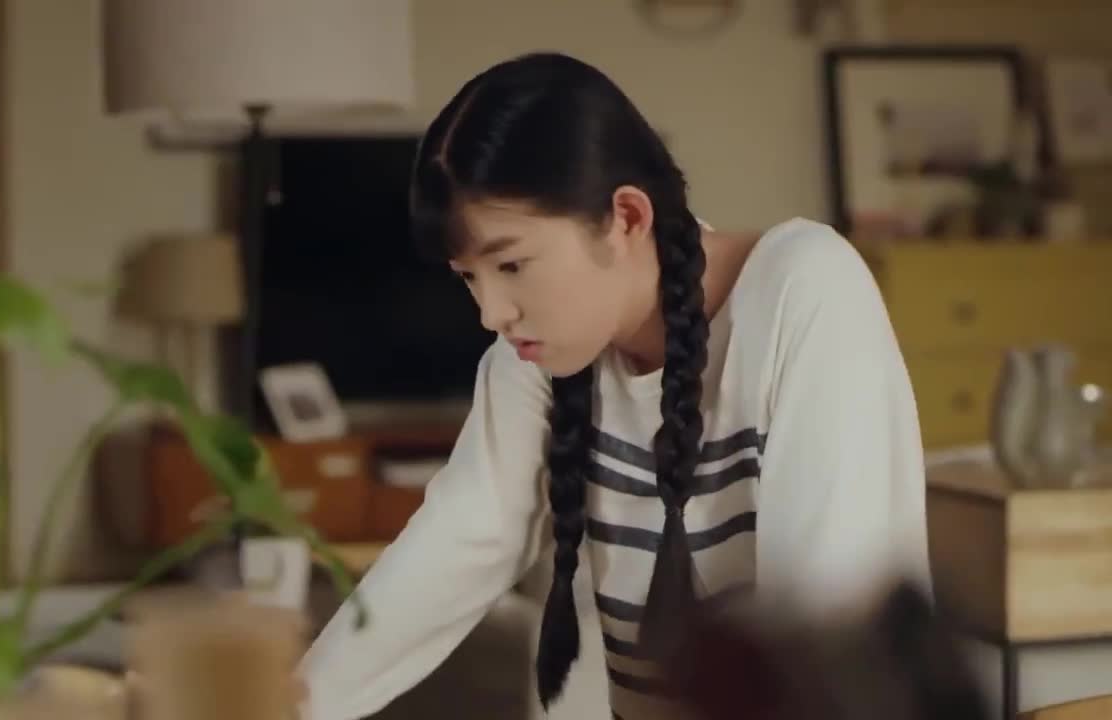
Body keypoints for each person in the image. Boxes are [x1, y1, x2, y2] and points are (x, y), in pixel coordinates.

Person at [296, 52, 930, 720]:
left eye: (511, 264)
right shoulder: (534, 359)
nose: (491, 312)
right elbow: (457, 545)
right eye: (469, 277)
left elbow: (829, 632)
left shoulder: (805, 290)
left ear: (626, 217)